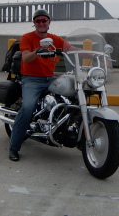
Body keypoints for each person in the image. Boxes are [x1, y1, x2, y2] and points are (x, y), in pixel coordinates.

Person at [9, 9, 73, 161]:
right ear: (34, 23)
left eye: (44, 20)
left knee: (73, 95)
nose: (41, 23)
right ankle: (14, 147)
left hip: (49, 78)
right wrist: (37, 51)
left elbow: (72, 50)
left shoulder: (54, 39)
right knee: (28, 107)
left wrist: (96, 55)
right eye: (38, 21)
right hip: (31, 79)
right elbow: (26, 58)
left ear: (49, 22)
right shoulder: (27, 38)